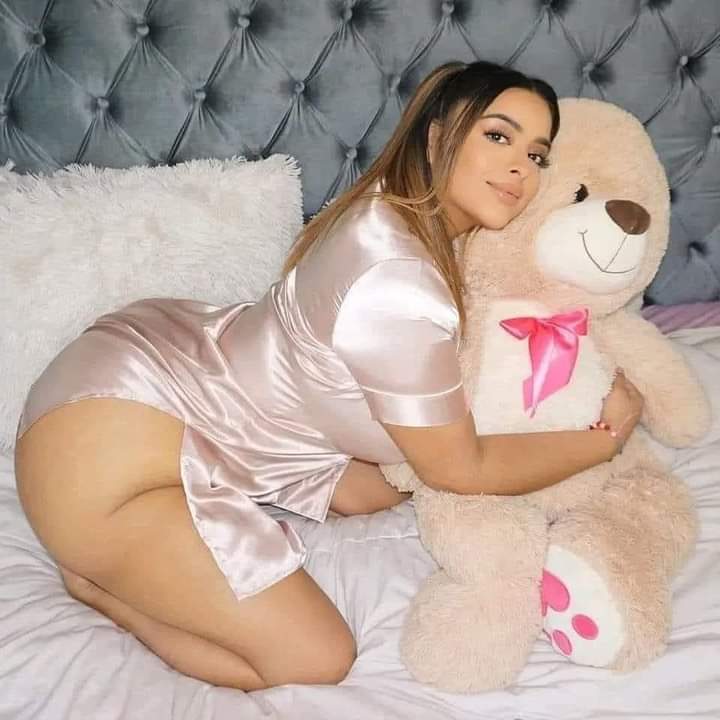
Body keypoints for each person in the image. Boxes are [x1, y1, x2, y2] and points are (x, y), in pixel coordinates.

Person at [14, 61, 644, 691]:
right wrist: (603, 440)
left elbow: (402, 460)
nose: (521, 169)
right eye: (498, 136)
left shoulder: (392, 211)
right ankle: (98, 591)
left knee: (380, 492)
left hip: (156, 380)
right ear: (435, 138)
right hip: (99, 468)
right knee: (314, 659)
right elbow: (459, 468)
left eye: (537, 155)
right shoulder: (402, 283)